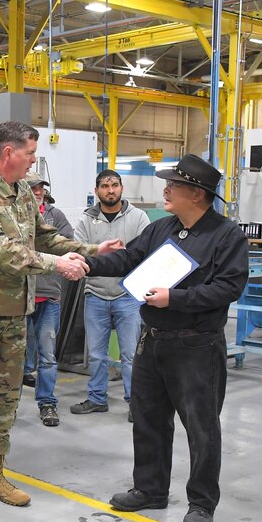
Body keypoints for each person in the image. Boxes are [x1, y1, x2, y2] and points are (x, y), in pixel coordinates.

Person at [0, 122, 114, 514]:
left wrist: (92, 249)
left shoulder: (22, 191)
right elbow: (0, 250)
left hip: (16, 312)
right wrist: (57, 265)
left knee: (5, 398)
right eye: (30, 153)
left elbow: (44, 236)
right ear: (9, 152)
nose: (34, 161)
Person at [87, 154, 248, 522]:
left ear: (197, 194)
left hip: (197, 348)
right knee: (149, 420)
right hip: (153, 342)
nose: (166, 190)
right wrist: (87, 262)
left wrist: (174, 299)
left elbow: (228, 288)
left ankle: (202, 504)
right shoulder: (163, 229)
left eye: (174, 185)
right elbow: (130, 258)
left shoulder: (227, 236)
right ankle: (150, 489)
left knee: (201, 428)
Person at [72, 169, 151, 418]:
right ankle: (97, 398)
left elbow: (146, 252)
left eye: (114, 185)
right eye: (105, 186)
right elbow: (79, 252)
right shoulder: (86, 220)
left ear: (121, 189)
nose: (110, 190)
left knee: (130, 355)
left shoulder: (138, 217)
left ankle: (135, 403)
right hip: (95, 294)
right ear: (96, 191)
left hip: (128, 296)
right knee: (96, 355)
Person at [23, 173, 74, 428]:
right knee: (12, 355)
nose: (38, 192)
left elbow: (66, 246)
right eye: (33, 188)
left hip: (49, 295)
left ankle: (47, 403)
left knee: (47, 355)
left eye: (41, 188)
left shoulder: (56, 217)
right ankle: (7, 407)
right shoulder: (15, 215)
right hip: (20, 297)